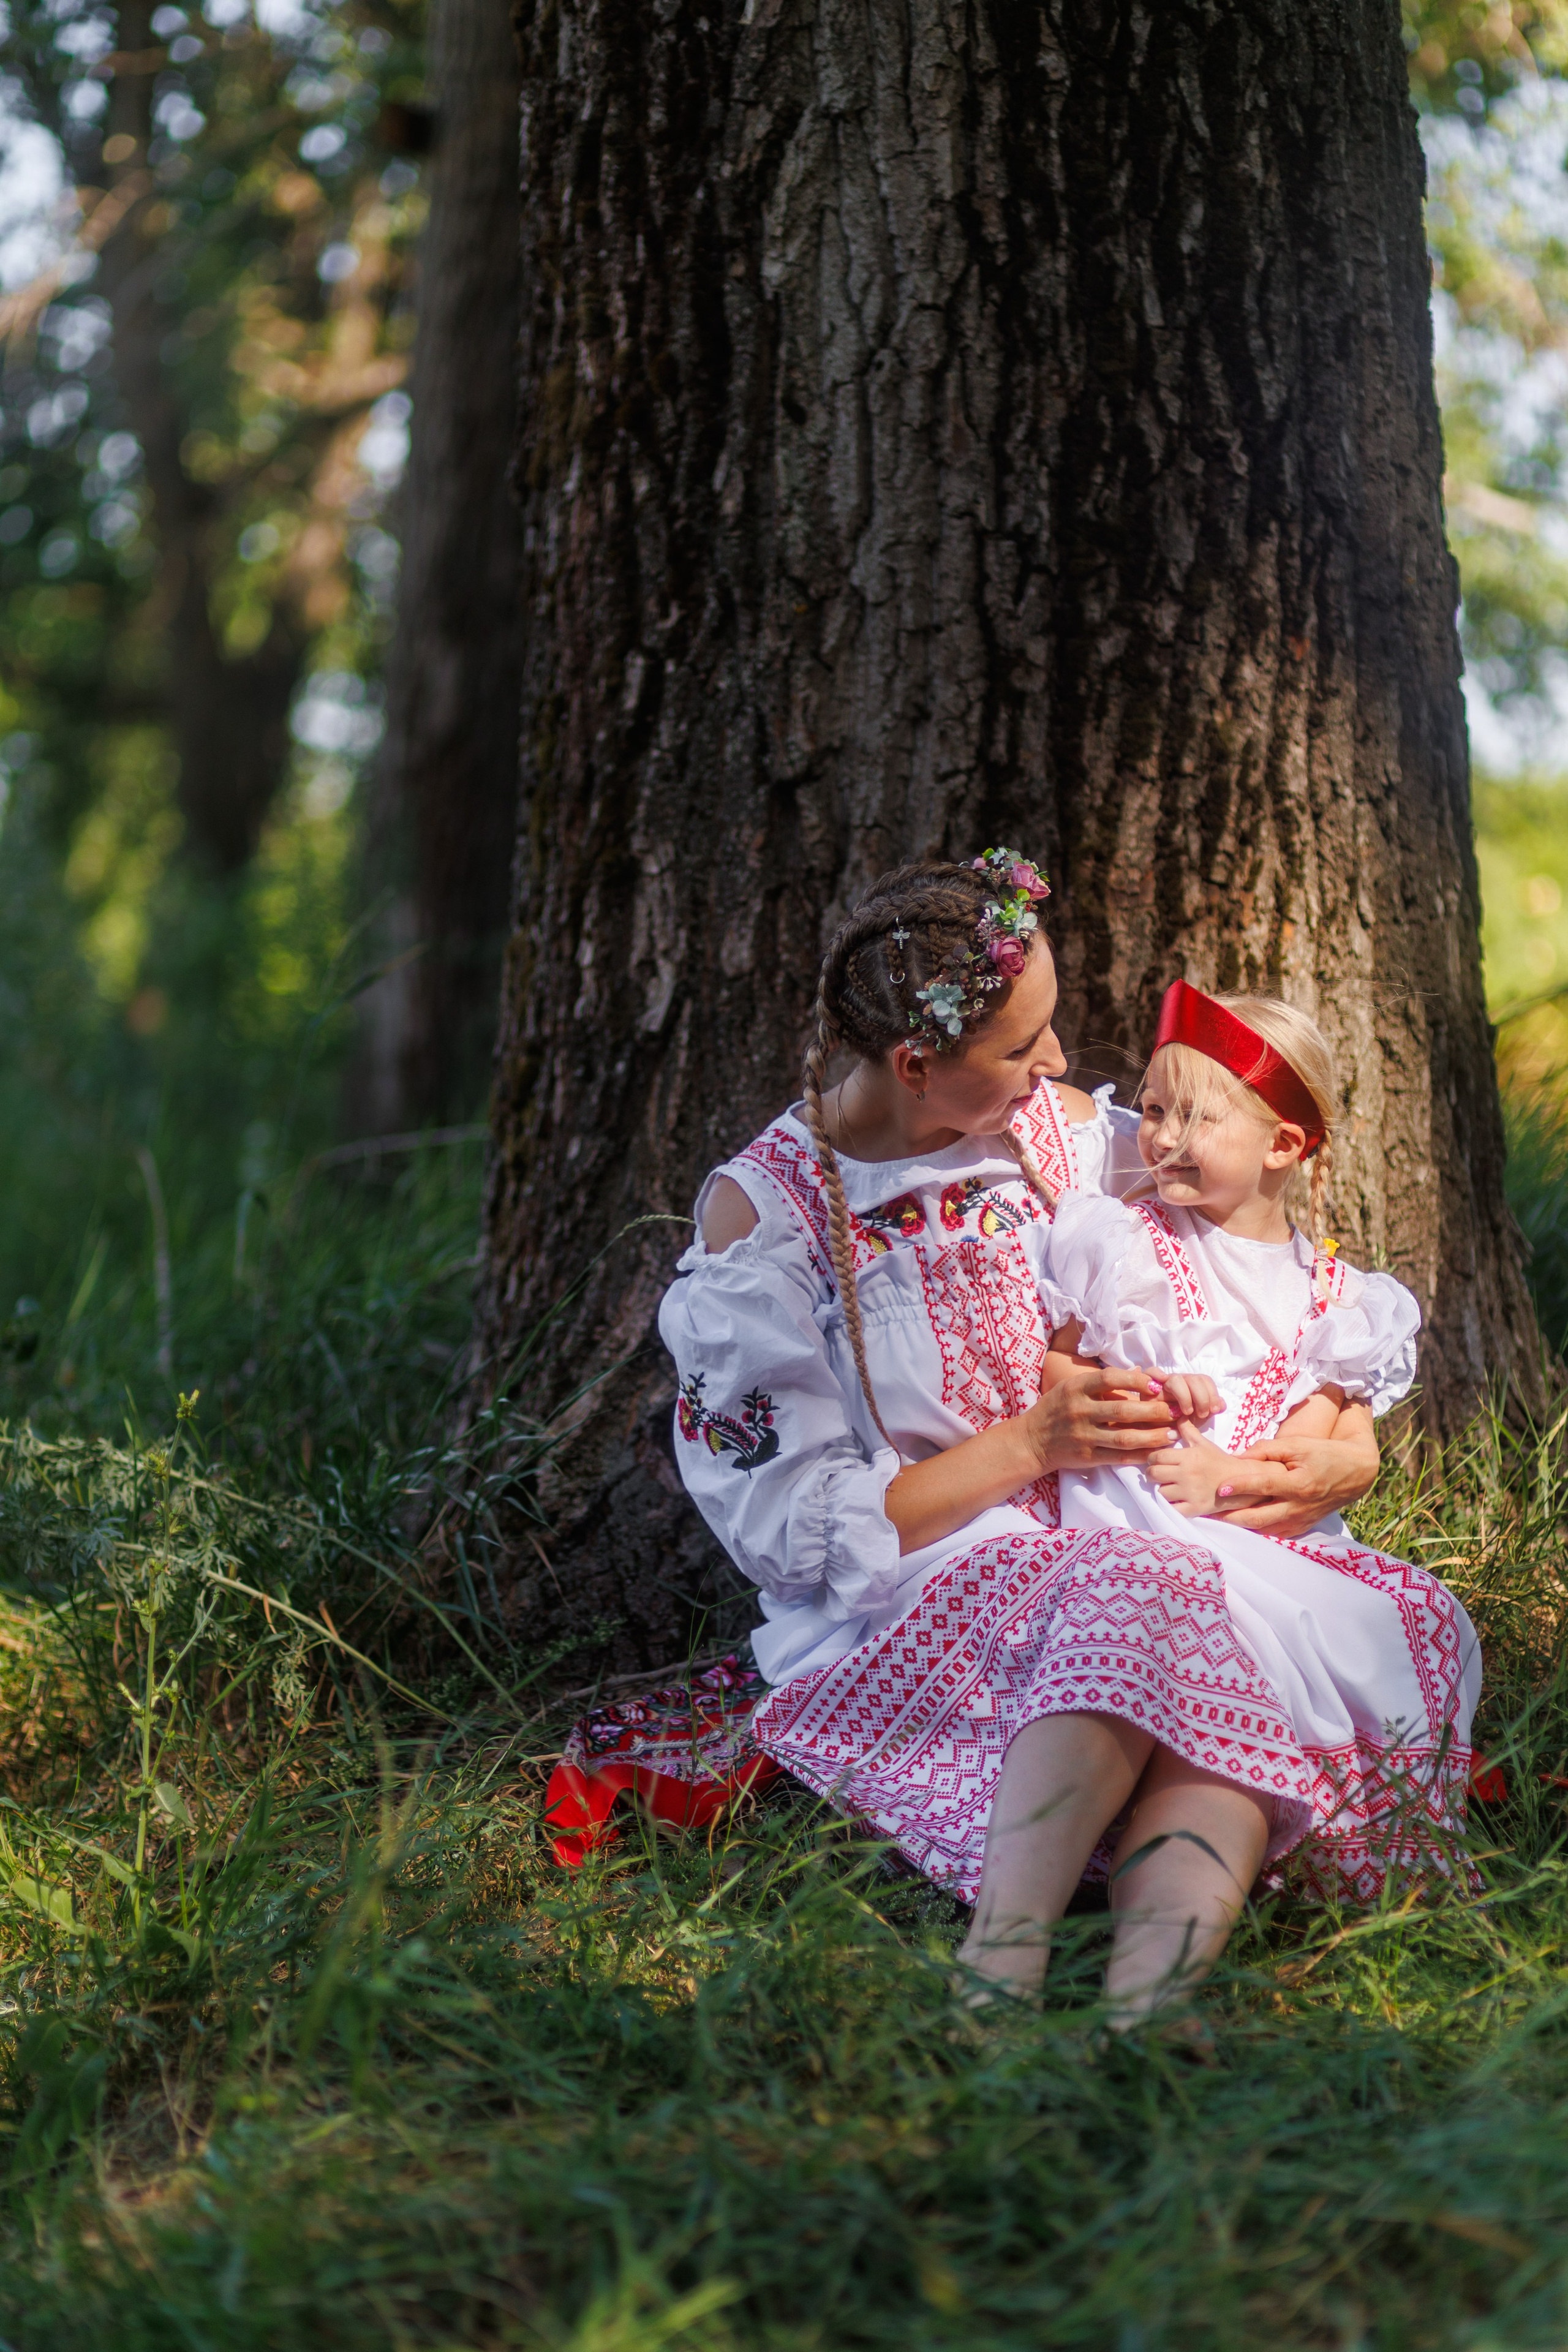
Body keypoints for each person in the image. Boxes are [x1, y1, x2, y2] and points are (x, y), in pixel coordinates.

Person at [657, 853, 1407, 2024]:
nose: (1058, 1067)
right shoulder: (773, 1217)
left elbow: (1261, 1264)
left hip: (1121, 1533)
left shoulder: (1065, 1137)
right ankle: (998, 1976)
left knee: (1221, 1625)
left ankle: (1149, 2006)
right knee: (1149, 1585)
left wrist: (1346, 1430)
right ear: (915, 1066)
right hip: (929, 1576)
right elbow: (787, 1540)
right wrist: (1034, 1445)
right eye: (1022, 1048)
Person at [965, 980, 1481, 2019]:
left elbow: (1322, 1450)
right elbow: (1059, 1379)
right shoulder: (1124, 1243)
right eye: (1153, 1109)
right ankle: (1016, 1978)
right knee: (1207, 1639)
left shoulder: (1339, 1295)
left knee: (1351, 1657)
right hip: (1140, 1520)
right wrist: (1148, 1398)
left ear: (1285, 1145)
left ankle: (1148, 2002)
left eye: (1196, 1115)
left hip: (1260, 1537)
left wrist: (1233, 1479)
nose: (1160, 1137)